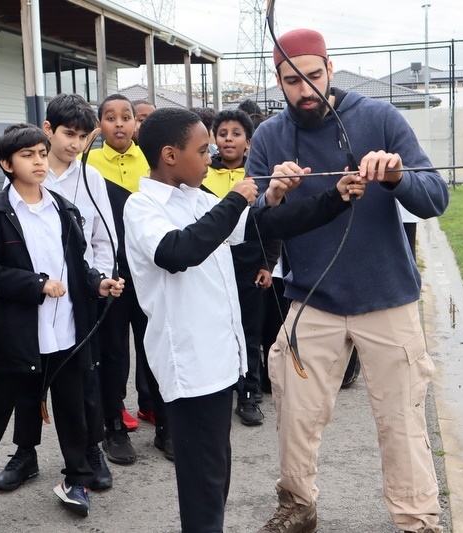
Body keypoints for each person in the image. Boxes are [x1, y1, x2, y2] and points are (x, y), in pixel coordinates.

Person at [246, 29, 449, 533]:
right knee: (295, 412)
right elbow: (254, 223)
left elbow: (435, 197)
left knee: (402, 417)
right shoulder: (269, 136)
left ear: (330, 69)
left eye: (314, 76)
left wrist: (398, 176)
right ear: (278, 81)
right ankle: (298, 504)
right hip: (313, 299)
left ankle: (417, 519)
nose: (305, 89)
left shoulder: (380, 118)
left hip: (388, 298)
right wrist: (273, 196)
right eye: (293, 80)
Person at [124, 107, 364, 533]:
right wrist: (237, 197)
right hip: (190, 366)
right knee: (202, 481)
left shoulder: (199, 200)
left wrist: (335, 197)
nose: (212, 155)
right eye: (203, 150)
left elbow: (264, 224)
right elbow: (179, 252)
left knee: (216, 474)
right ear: (169, 155)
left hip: (218, 363)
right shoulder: (142, 207)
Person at [0, 124, 124, 529]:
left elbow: (77, 266)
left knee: (73, 409)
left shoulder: (65, 208)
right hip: (18, 335)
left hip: (67, 331)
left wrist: (99, 283)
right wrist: (36, 284)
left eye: (42, 154)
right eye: (28, 155)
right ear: (6, 163)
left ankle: (77, 480)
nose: (39, 161)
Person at [0, 94, 116, 494]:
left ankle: (90, 451)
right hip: (35, 295)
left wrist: (99, 279)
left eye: (84, 136)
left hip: (80, 291)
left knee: (84, 377)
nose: (75, 144)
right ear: (48, 130)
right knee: (29, 378)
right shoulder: (24, 177)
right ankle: (25, 453)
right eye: (68, 134)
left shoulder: (91, 178)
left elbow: (103, 239)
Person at [87, 94, 172, 463]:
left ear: (136, 124)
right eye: (110, 117)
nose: (119, 123)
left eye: (126, 117)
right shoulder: (86, 163)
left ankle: (166, 422)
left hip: (149, 269)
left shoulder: (150, 161)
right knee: (113, 351)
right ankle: (114, 426)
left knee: (155, 344)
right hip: (109, 273)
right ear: (100, 125)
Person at [201, 109, 279, 425]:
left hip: (250, 265)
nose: (229, 139)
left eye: (236, 134)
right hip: (212, 264)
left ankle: (249, 394)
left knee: (249, 331)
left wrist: (267, 264)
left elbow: (272, 224)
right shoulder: (203, 175)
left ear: (248, 142)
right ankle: (217, 390)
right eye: (223, 134)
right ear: (214, 140)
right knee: (215, 330)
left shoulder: (257, 176)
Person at [130, 98, 158, 425]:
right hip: (119, 270)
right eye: (140, 118)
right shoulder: (93, 162)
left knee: (148, 337)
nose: (139, 125)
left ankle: (152, 404)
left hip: (148, 269)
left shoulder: (149, 162)